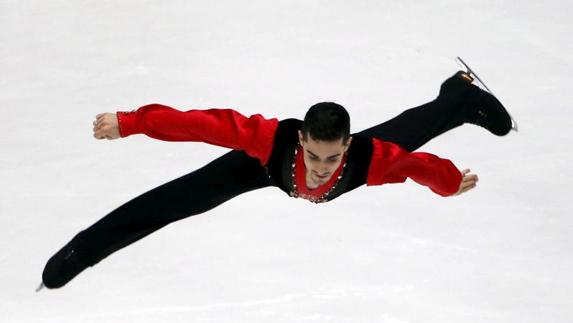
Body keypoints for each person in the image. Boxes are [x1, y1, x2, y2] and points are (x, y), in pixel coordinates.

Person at [40, 69, 514, 289]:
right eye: (313, 154)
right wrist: (131, 122)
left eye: (331, 158)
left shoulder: (367, 158)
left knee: (403, 138)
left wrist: (450, 182)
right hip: (260, 168)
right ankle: (84, 248)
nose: (321, 167)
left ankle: (456, 98)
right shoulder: (271, 140)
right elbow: (199, 124)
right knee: (179, 199)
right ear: (302, 138)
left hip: (365, 154)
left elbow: (417, 166)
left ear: (345, 147)